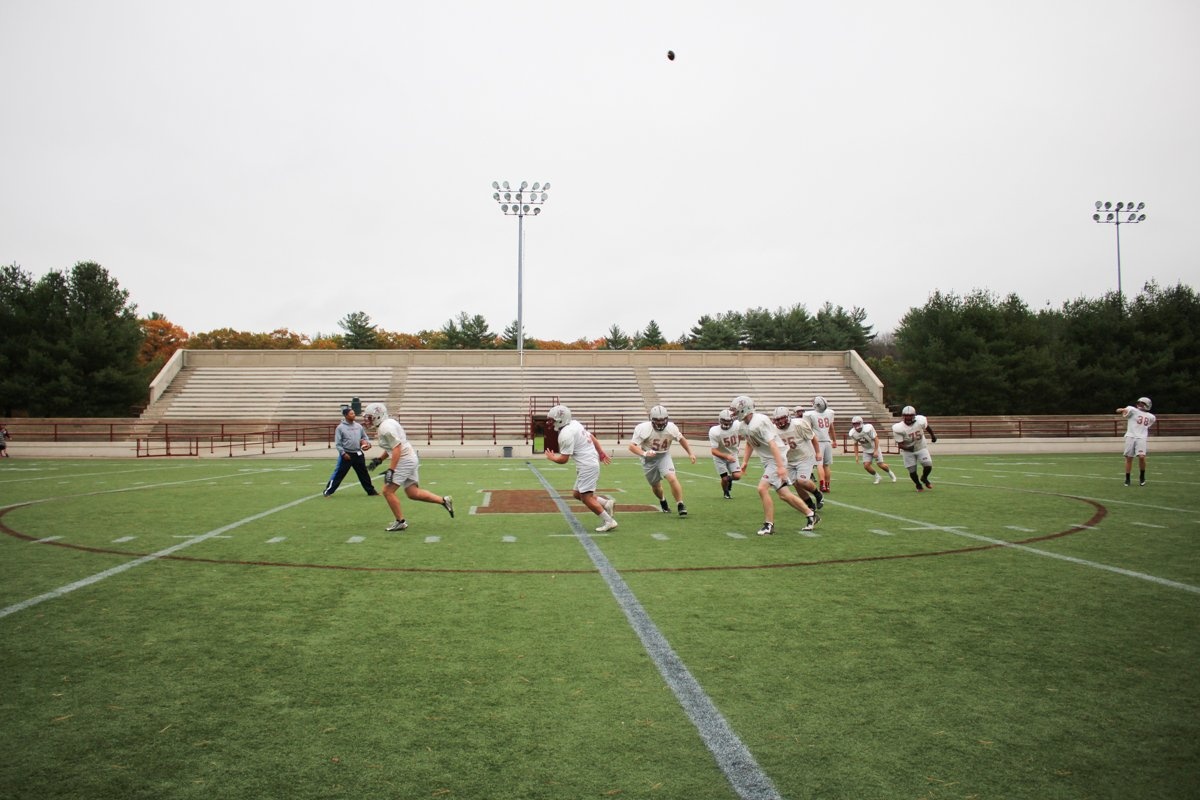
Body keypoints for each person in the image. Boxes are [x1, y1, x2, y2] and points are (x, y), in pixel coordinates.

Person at [729, 395, 819, 535]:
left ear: (744, 409)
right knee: (784, 495)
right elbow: (749, 443)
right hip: (769, 461)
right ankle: (811, 515)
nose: (734, 413)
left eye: (736, 410)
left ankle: (769, 525)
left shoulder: (760, 421)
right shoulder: (743, 426)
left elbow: (773, 444)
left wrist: (781, 466)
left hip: (776, 459)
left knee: (762, 488)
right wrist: (745, 462)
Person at [362, 402, 454, 531]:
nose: (368, 421)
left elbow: (397, 448)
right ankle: (444, 500)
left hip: (404, 460)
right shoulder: (388, 423)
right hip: (410, 457)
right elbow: (393, 447)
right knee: (412, 492)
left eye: (370, 417)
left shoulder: (385, 427)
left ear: (378, 415)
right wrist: (379, 460)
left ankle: (400, 521)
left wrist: (391, 470)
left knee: (387, 491)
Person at [543, 404, 618, 532]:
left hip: (587, 465)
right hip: (589, 463)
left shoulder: (566, 434)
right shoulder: (575, 424)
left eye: (552, 420)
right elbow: (591, 437)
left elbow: (564, 459)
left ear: (561, 419)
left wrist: (552, 458)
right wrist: (600, 452)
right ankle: (606, 503)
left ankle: (609, 521)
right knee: (577, 494)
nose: (549, 422)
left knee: (586, 497)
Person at [628, 405, 696, 517]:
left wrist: (690, 453)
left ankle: (680, 504)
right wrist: (645, 453)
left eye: (662, 420)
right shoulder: (643, 428)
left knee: (672, 478)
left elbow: (681, 439)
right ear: (651, 419)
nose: (660, 423)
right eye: (657, 420)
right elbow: (631, 446)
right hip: (648, 459)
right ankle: (663, 500)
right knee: (656, 486)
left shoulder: (671, 427)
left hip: (664, 455)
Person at [770, 406, 824, 512]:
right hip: (788, 460)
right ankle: (809, 504)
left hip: (804, 457)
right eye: (777, 419)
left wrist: (818, 452)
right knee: (796, 484)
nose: (780, 421)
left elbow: (813, 437)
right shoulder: (773, 429)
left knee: (802, 481)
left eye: (782, 418)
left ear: (788, 417)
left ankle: (818, 494)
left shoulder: (799, 424)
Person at [323, 406, 379, 497]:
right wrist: (343, 453)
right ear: (346, 415)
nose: (354, 415)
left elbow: (364, 437)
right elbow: (338, 443)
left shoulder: (358, 426)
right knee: (340, 474)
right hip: (347, 454)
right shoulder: (340, 428)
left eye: (354, 413)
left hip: (358, 453)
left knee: (364, 474)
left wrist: (367, 444)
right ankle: (328, 491)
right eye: (351, 414)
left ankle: (371, 491)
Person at [891, 405, 937, 492]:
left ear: (914, 415)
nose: (908, 417)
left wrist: (932, 435)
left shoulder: (920, 421)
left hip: (921, 446)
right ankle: (918, 484)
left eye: (910, 415)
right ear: (903, 416)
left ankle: (924, 478)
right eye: (906, 415)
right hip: (908, 451)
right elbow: (900, 445)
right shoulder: (899, 428)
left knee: (928, 465)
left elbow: (927, 427)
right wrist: (908, 448)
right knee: (912, 471)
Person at [1116, 396, 1156, 486]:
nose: (1140, 405)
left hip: (1141, 437)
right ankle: (1127, 478)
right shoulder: (1133, 410)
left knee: (1141, 457)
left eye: (1142, 404)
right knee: (1129, 458)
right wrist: (1122, 410)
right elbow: (1120, 411)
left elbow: (1147, 425)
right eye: (1139, 403)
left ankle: (1142, 476)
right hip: (1130, 436)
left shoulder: (1151, 417)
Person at [846, 415, 897, 484]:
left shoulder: (868, 429)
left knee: (880, 465)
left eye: (857, 423)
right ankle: (877, 477)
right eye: (854, 424)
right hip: (866, 449)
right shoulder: (852, 433)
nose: (856, 425)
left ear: (861, 423)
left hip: (874, 447)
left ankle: (890, 473)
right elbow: (855, 444)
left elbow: (876, 439)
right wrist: (856, 456)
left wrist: (875, 451)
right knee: (866, 466)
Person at [802, 395, 836, 492]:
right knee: (826, 465)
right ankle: (828, 486)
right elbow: (832, 428)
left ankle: (822, 485)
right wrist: (834, 440)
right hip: (827, 441)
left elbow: (808, 429)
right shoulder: (830, 413)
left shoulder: (809, 414)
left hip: (817, 442)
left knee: (819, 465)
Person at [708, 409, 744, 499]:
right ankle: (726, 492)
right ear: (720, 420)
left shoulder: (737, 425)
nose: (726, 423)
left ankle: (729, 480)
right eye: (724, 420)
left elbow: (743, 430)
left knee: (737, 476)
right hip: (719, 456)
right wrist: (726, 456)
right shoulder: (714, 431)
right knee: (724, 479)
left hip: (732, 454)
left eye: (728, 421)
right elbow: (713, 451)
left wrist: (737, 445)